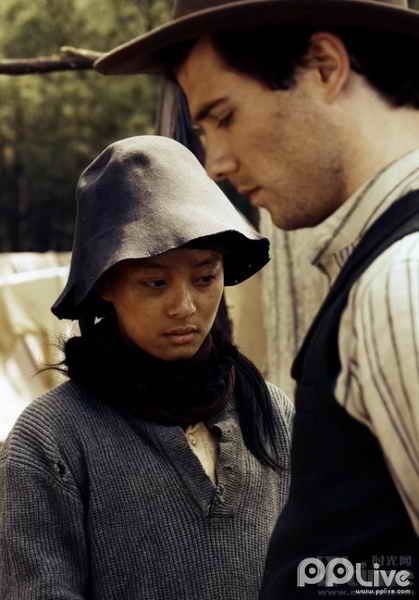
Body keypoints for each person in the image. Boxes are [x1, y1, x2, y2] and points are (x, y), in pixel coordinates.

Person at [95, 1, 419, 597]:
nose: (215, 165)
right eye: (203, 132)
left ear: (323, 67)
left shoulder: (402, 278)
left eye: (224, 116)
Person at [0, 135, 293, 599]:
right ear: (106, 284)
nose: (185, 306)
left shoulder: (272, 412)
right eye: (155, 283)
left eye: (205, 277)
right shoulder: (52, 437)